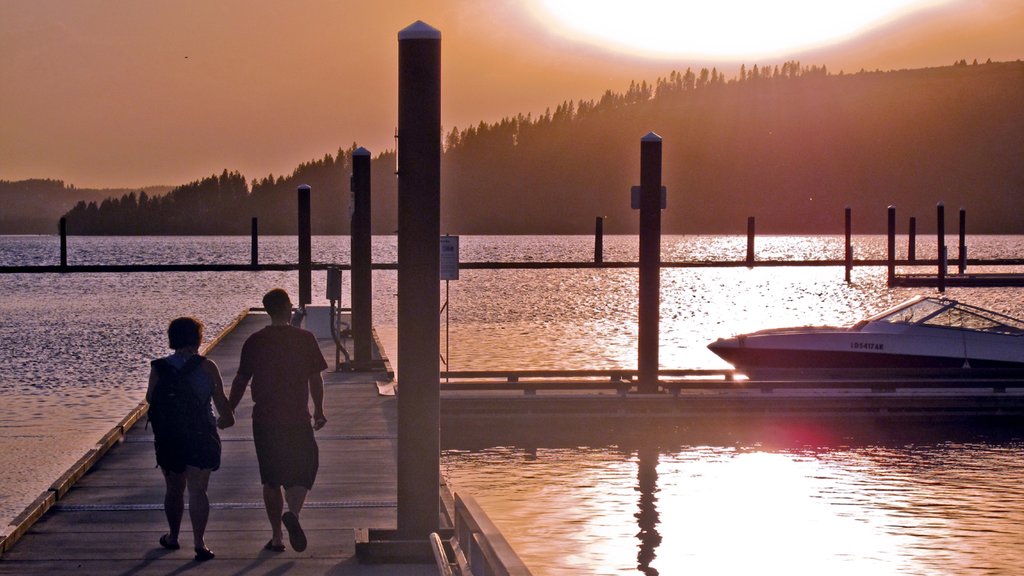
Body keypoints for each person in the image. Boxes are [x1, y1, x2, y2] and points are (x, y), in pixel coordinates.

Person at [228, 288, 327, 553]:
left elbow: (240, 379)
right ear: (287, 309)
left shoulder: (255, 340)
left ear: (268, 310)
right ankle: (292, 514)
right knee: (303, 470)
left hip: (265, 420)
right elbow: (315, 378)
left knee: (271, 479)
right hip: (297, 418)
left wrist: (228, 410)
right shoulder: (305, 338)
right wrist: (318, 410)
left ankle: (276, 537)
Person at [146, 317, 233, 562]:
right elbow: (220, 401)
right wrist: (227, 419)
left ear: (172, 338)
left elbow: (151, 399)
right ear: (198, 338)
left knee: (174, 489)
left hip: (170, 437)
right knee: (198, 490)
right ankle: (199, 543)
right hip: (201, 434)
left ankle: (173, 537)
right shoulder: (207, 367)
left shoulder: (159, 367)